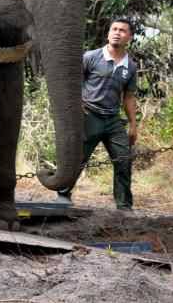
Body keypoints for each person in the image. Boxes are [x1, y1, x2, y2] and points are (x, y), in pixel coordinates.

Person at [57, 17, 139, 209]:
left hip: (113, 120)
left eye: (122, 30)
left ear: (130, 37)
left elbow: (128, 97)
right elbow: (72, 81)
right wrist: (76, 105)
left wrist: (133, 124)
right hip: (89, 115)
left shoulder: (131, 66)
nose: (117, 33)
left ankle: (124, 207)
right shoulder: (91, 57)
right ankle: (62, 196)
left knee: (123, 160)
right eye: (114, 29)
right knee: (78, 159)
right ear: (109, 33)